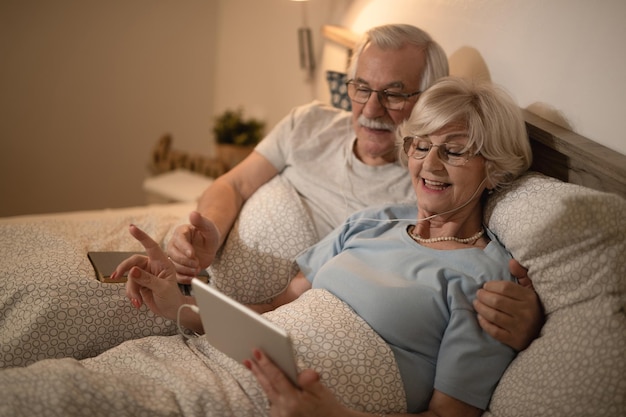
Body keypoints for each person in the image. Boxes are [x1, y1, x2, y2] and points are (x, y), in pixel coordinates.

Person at [0, 76, 533, 416]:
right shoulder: (372, 223)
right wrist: (180, 305)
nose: (429, 165)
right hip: (216, 361)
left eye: (456, 152)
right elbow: (275, 309)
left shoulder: (489, 284)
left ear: (496, 169)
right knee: (57, 388)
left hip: (278, 404)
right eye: (420, 146)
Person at [165, 23, 542, 352]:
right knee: (118, 285)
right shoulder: (309, 122)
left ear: (429, 100)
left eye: (393, 94)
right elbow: (235, 182)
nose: (370, 110)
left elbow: (477, 264)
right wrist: (208, 234)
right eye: (362, 88)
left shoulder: (426, 192)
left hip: (251, 314)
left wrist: (530, 320)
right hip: (192, 271)